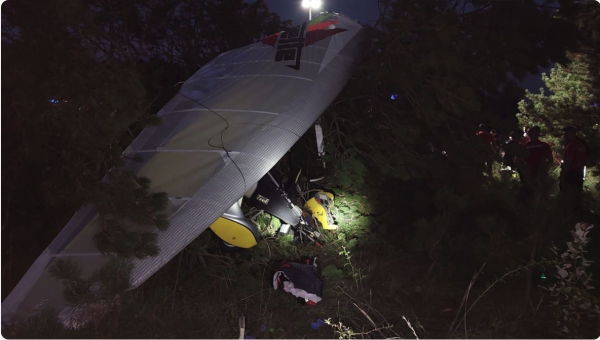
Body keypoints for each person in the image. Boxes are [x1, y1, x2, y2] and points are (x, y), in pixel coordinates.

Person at [515, 126, 553, 201]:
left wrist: (522, 172)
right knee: (542, 193)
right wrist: (546, 168)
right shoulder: (544, 145)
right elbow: (550, 160)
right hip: (540, 172)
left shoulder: (525, 146)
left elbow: (517, 161)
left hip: (530, 172)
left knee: (531, 193)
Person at [560, 126, 588, 211]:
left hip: (571, 172)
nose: (564, 136)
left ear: (572, 134)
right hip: (579, 171)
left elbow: (568, 161)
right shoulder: (581, 143)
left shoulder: (571, 145)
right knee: (577, 192)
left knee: (568, 193)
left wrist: (562, 175)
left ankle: (569, 211)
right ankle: (578, 210)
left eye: (566, 134)